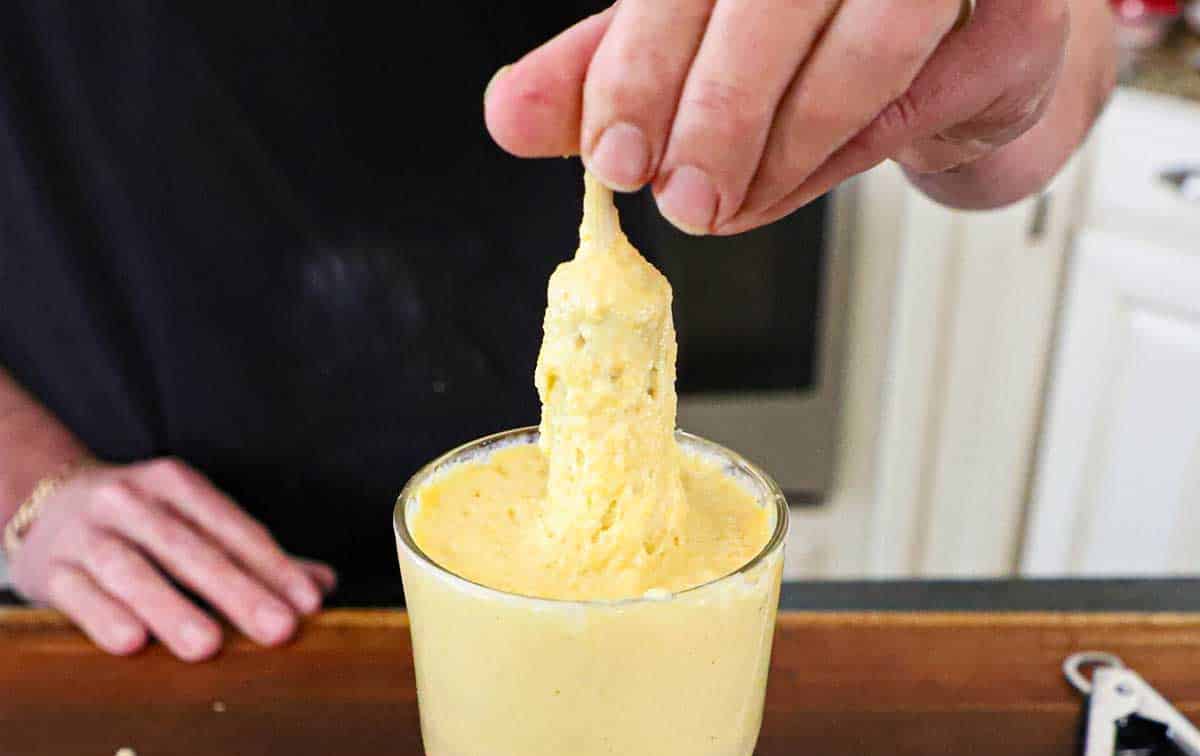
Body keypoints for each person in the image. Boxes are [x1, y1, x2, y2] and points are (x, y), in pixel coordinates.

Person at [0, 0, 1116, 660]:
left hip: (577, 583)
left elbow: (1063, 66)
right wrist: (24, 484)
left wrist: (1014, 60)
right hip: (122, 586)